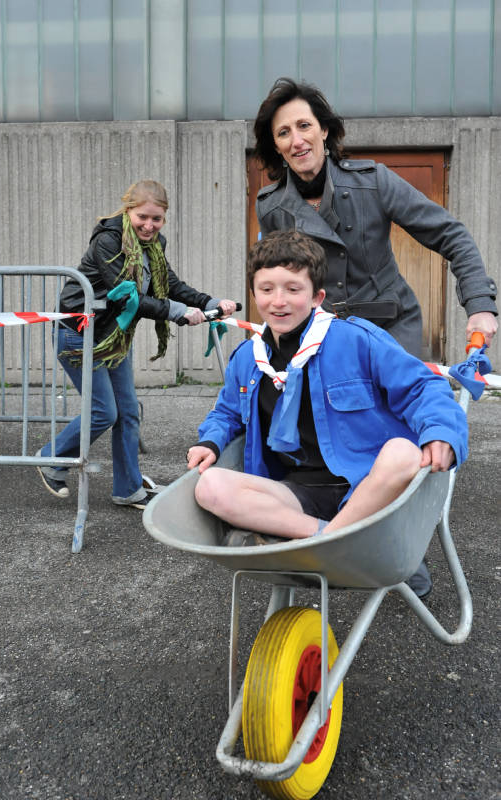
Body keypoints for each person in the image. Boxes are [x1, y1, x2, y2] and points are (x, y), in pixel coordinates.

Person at [187, 231, 468, 583]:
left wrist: (441, 431)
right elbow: (227, 413)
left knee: (403, 453)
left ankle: (318, 543)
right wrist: (210, 441)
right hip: (298, 493)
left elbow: (422, 386)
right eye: (267, 289)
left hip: (370, 486)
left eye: (293, 289)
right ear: (254, 294)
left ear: (316, 296)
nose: (278, 301)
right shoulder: (247, 358)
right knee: (209, 486)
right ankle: (328, 539)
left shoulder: (355, 340)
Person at [253, 77, 498, 357]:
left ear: (324, 130)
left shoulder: (373, 182)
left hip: (390, 329)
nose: (297, 141)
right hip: (321, 335)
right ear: (276, 146)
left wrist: (480, 304)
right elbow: (276, 281)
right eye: (284, 133)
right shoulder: (270, 207)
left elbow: (450, 235)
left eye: (304, 126)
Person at [37, 179, 237, 509]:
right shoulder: (108, 241)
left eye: (157, 219)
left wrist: (208, 301)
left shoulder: (155, 244)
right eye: (142, 217)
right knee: (104, 412)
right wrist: (178, 313)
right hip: (79, 333)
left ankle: (128, 489)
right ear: (128, 210)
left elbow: (169, 284)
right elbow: (126, 294)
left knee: (128, 412)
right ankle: (51, 459)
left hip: (113, 336)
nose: (149, 225)